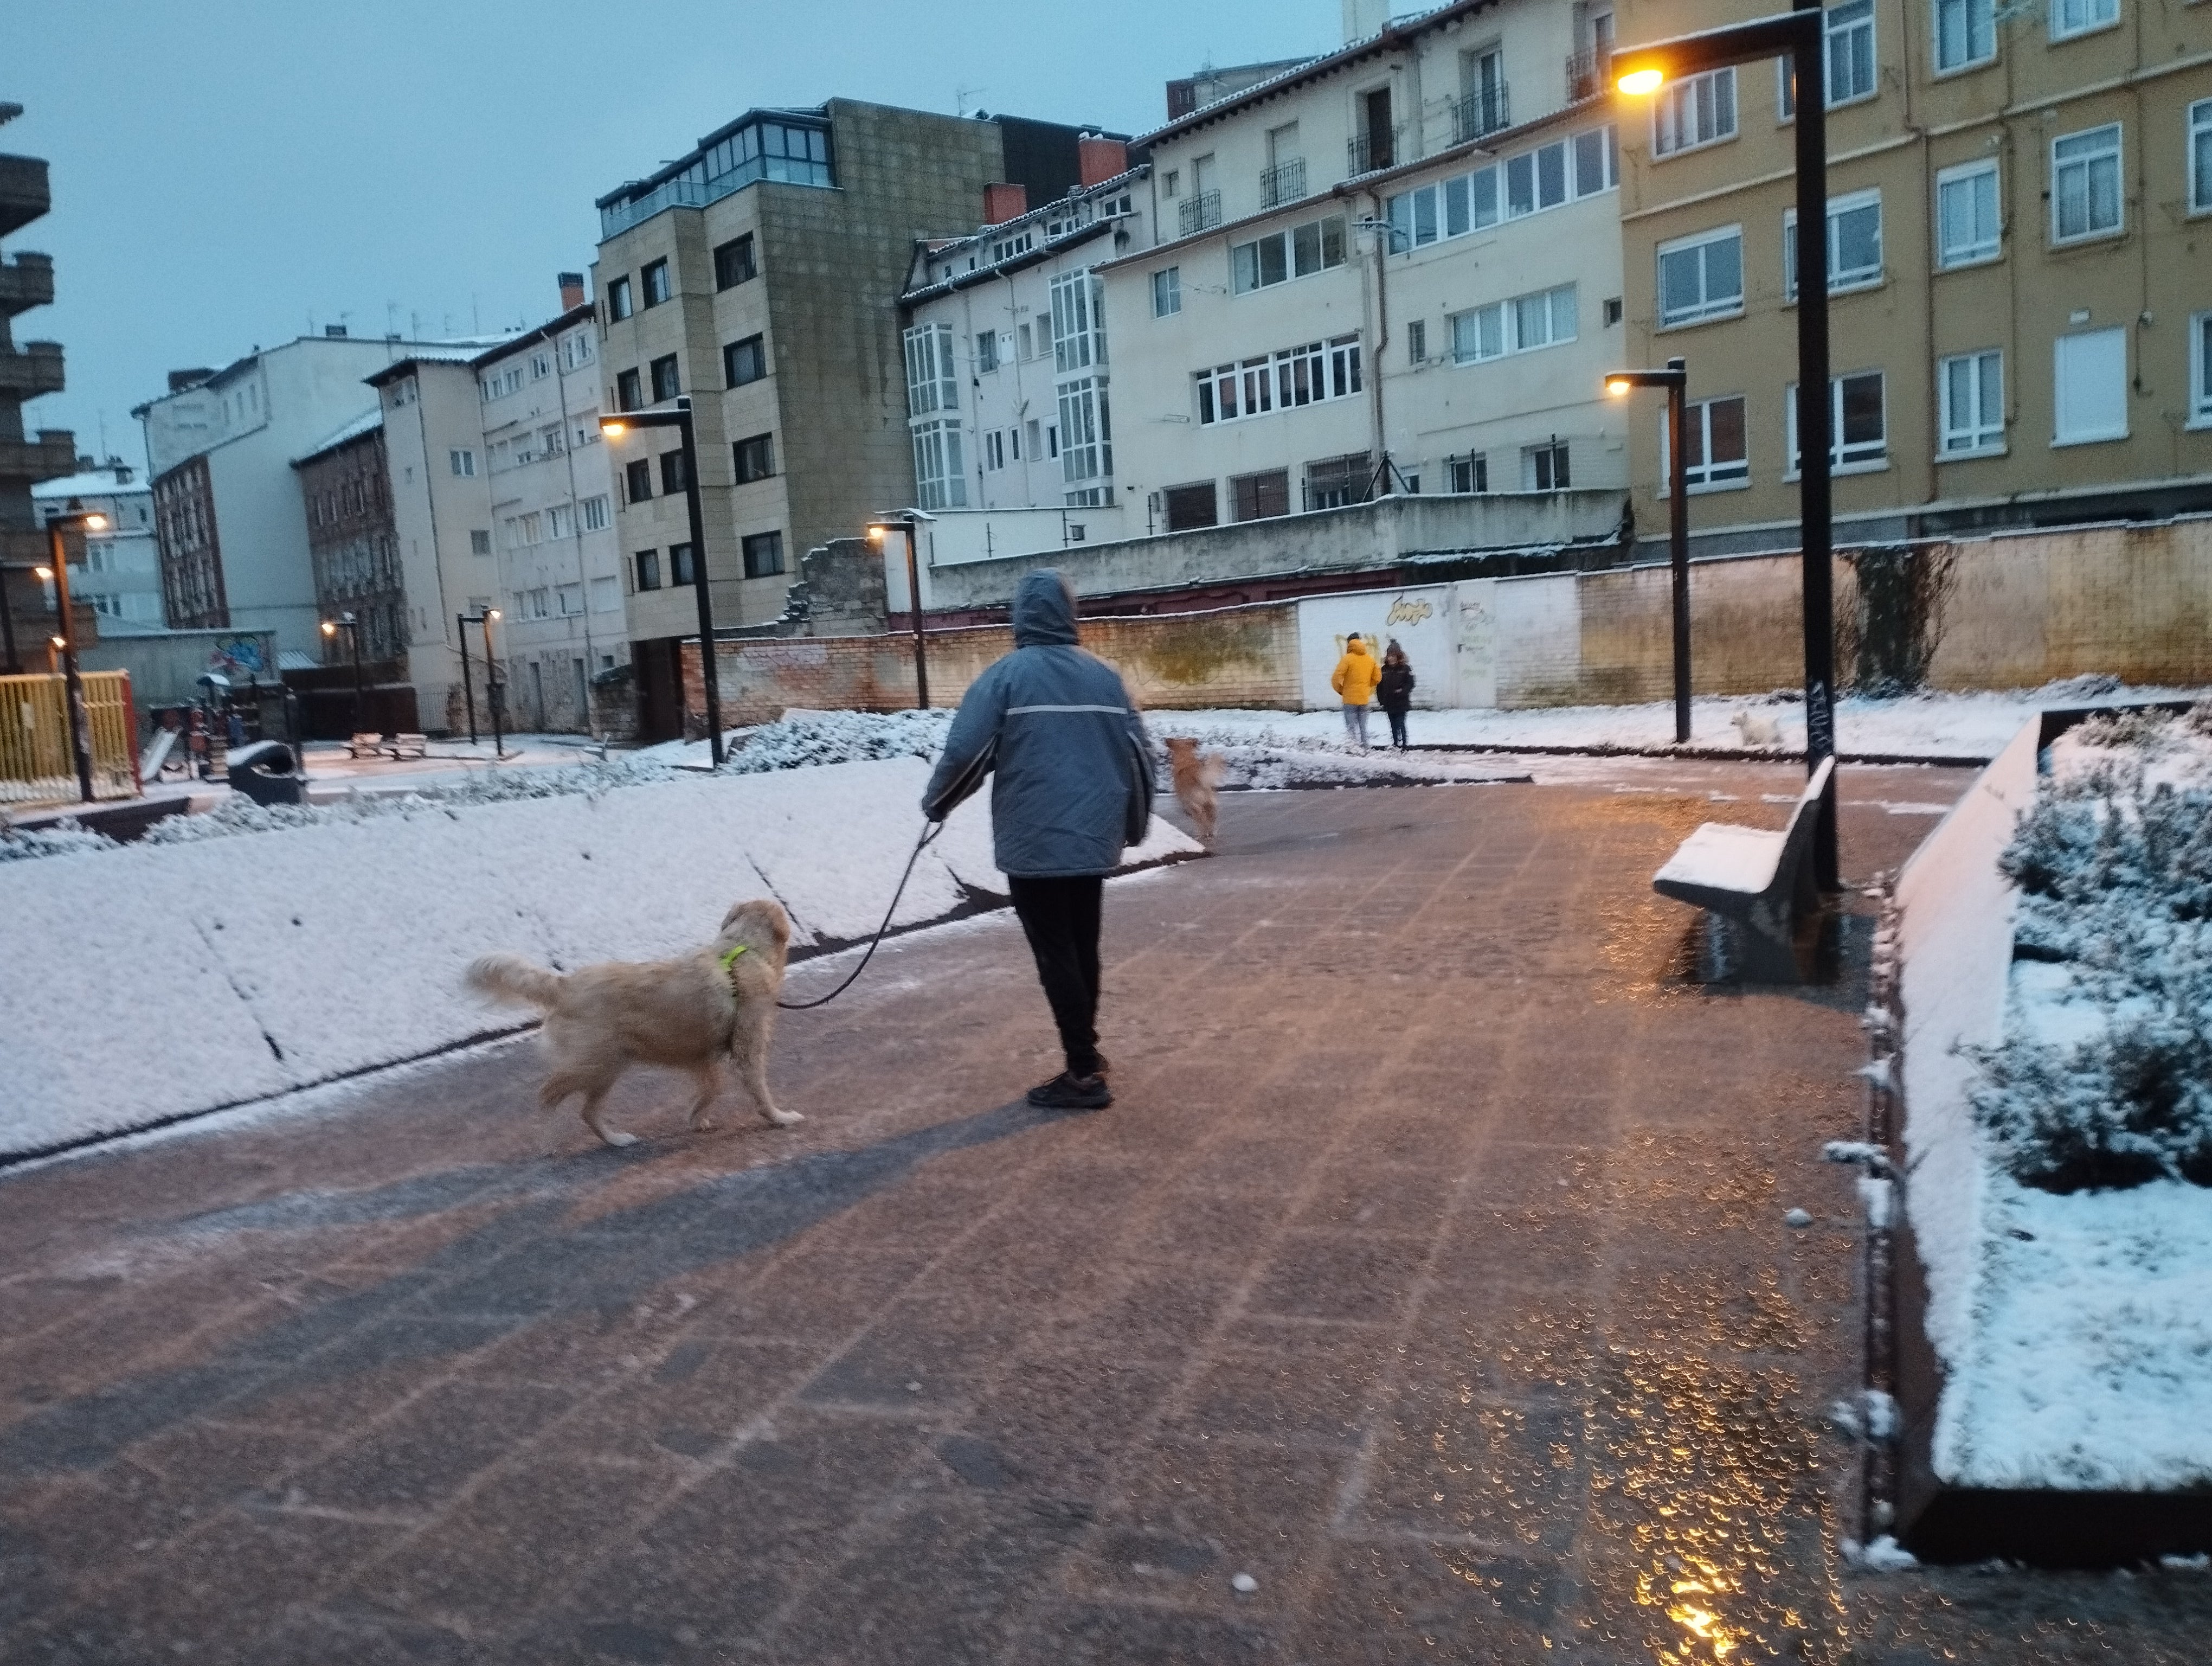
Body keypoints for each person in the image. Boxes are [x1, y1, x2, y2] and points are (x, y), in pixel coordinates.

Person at [923, 569, 1154, 1111]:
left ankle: (1081, 1072)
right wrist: (1132, 823)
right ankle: (1087, 1057)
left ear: (1021, 615)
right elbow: (1139, 755)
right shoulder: (1106, 678)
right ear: (1068, 613)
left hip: (1034, 843)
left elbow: (966, 755)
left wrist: (937, 803)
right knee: (1081, 948)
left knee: (1057, 957)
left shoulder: (1005, 678)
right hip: (1091, 841)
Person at [1330, 632, 1381, 749]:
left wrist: (1342, 691)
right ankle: (1365, 748)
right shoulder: (1370, 660)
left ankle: (1353, 749)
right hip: (1363, 699)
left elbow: (1335, 678)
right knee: (1363, 727)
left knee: (1351, 728)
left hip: (1349, 700)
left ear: (1350, 645)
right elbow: (1378, 678)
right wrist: (1367, 685)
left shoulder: (1347, 659)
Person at [1377, 640, 1416, 752]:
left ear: (1398, 656)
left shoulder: (1405, 668)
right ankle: (1395, 743)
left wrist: (1402, 691)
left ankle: (1404, 745)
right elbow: (1379, 686)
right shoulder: (1384, 670)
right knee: (1393, 725)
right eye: (1389, 656)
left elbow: (1411, 683)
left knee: (1401, 723)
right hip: (1389, 702)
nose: (1391, 658)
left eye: (1393, 656)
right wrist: (1381, 699)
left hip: (1401, 702)